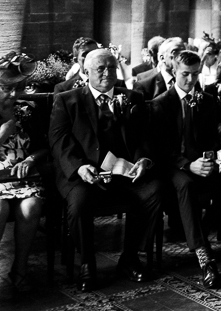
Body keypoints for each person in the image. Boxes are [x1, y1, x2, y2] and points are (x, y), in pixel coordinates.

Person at [49, 49, 162, 291]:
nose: (107, 73)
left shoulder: (133, 98)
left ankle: (130, 257)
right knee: (79, 203)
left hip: (123, 174)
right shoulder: (68, 100)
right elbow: (59, 141)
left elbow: (144, 136)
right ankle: (87, 262)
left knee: (153, 191)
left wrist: (143, 160)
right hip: (83, 174)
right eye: (100, 68)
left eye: (111, 67)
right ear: (86, 71)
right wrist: (79, 168)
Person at [149, 50, 221, 288]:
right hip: (173, 166)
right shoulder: (160, 104)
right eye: (185, 75)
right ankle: (205, 256)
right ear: (173, 72)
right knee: (186, 185)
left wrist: (217, 159)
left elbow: (212, 139)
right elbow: (159, 150)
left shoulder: (208, 101)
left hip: (202, 163)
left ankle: (207, 225)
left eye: (195, 75)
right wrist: (187, 165)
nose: (191, 81)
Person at [0, 54, 47, 293]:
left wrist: (31, 158)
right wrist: (2, 134)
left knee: (31, 208)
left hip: (24, 178)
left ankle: (19, 270)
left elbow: (43, 145)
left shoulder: (27, 110)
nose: (12, 94)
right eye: (6, 89)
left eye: (16, 88)